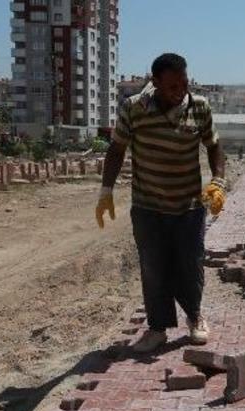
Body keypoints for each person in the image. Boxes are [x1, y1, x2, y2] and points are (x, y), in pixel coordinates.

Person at [95, 53, 227, 353]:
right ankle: (157, 329)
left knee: (190, 264)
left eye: (184, 84)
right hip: (147, 206)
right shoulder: (134, 109)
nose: (180, 91)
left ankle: (195, 318)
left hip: (189, 206)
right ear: (155, 82)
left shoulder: (199, 107)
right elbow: (116, 150)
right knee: (153, 268)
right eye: (171, 86)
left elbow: (215, 147)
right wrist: (106, 191)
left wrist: (218, 181)